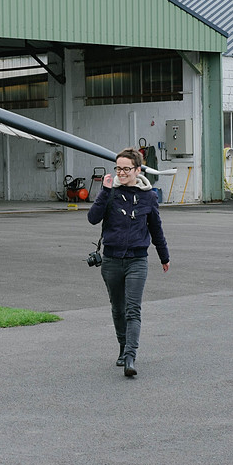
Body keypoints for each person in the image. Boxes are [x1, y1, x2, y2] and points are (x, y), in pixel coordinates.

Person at [87, 147, 170, 378]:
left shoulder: (149, 196)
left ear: (137, 170)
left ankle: (131, 356)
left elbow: (156, 228)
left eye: (126, 169)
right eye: (118, 168)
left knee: (133, 309)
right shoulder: (110, 194)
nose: (121, 173)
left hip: (137, 260)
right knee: (118, 308)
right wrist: (104, 191)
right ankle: (123, 348)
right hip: (112, 260)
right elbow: (93, 219)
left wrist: (164, 256)